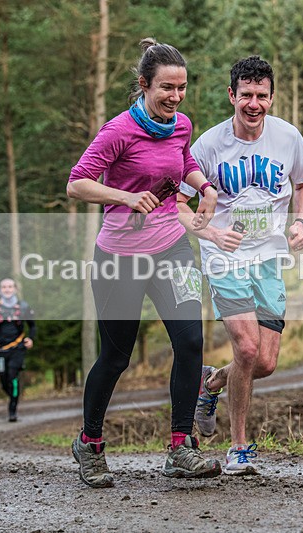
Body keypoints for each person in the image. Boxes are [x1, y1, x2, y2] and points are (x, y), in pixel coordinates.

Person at [66, 38, 220, 487]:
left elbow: (183, 161)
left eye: (182, 87)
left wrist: (204, 187)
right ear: (143, 85)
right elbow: (77, 184)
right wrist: (126, 196)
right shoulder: (117, 131)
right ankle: (89, 444)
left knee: (190, 343)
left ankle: (180, 447)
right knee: (116, 356)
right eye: (166, 88)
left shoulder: (181, 124)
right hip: (121, 256)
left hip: (172, 246)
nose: (175, 97)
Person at [177, 55, 303, 475]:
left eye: (261, 96)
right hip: (225, 258)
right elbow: (179, 206)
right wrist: (211, 234)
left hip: (269, 258)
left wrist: (300, 222)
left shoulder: (288, 137)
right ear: (231, 95)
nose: (253, 104)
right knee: (248, 348)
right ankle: (238, 447)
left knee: (265, 363)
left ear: (271, 97)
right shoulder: (207, 145)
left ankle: (212, 383)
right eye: (245, 95)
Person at [0, 278, 36, 422]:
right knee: (3, 379)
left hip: (17, 348)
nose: (7, 289)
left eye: (10, 287)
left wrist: (30, 339)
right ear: (0, 290)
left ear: (15, 289)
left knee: (12, 375)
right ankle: (13, 395)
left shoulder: (23, 306)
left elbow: (32, 325)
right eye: (4, 287)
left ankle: (12, 410)